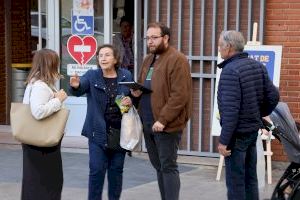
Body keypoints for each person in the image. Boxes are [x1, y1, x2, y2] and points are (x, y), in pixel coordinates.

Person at [131, 22, 192, 200]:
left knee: (168, 166)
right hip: (148, 121)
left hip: (166, 124)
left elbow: (180, 95)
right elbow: (145, 85)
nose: (150, 41)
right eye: (148, 38)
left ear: (165, 38)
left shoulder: (177, 59)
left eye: (154, 37)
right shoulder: (148, 59)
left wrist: (163, 120)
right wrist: (136, 92)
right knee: (158, 166)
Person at [217, 30, 280, 200]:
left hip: (237, 136)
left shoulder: (230, 71)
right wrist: (259, 114)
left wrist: (223, 141)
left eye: (220, 45)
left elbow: (230, 111)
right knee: (250, 178)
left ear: (229, 47)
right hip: (252, 132)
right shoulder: (257, 66)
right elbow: (274, 96)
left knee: (236, 182)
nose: (219, 49)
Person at [69, 44, 133, 200]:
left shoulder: (125, 75)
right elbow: (80, 88)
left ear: (116, 59)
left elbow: (131, 99)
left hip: (119, 133)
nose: (103, 58)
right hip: (97, 132)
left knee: (116, 172)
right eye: (100, 55)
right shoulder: (92, 75)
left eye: (107, 55)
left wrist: (131, 100)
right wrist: (75, 86)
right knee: (96, 171)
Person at [21, 49, 68, 200]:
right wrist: (58, 99)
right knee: (47, 183)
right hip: (42, 144)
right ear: (50, 64)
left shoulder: (36, 83)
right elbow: (38, 112)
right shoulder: (40, 85)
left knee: (36, 182)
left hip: (36, 141)